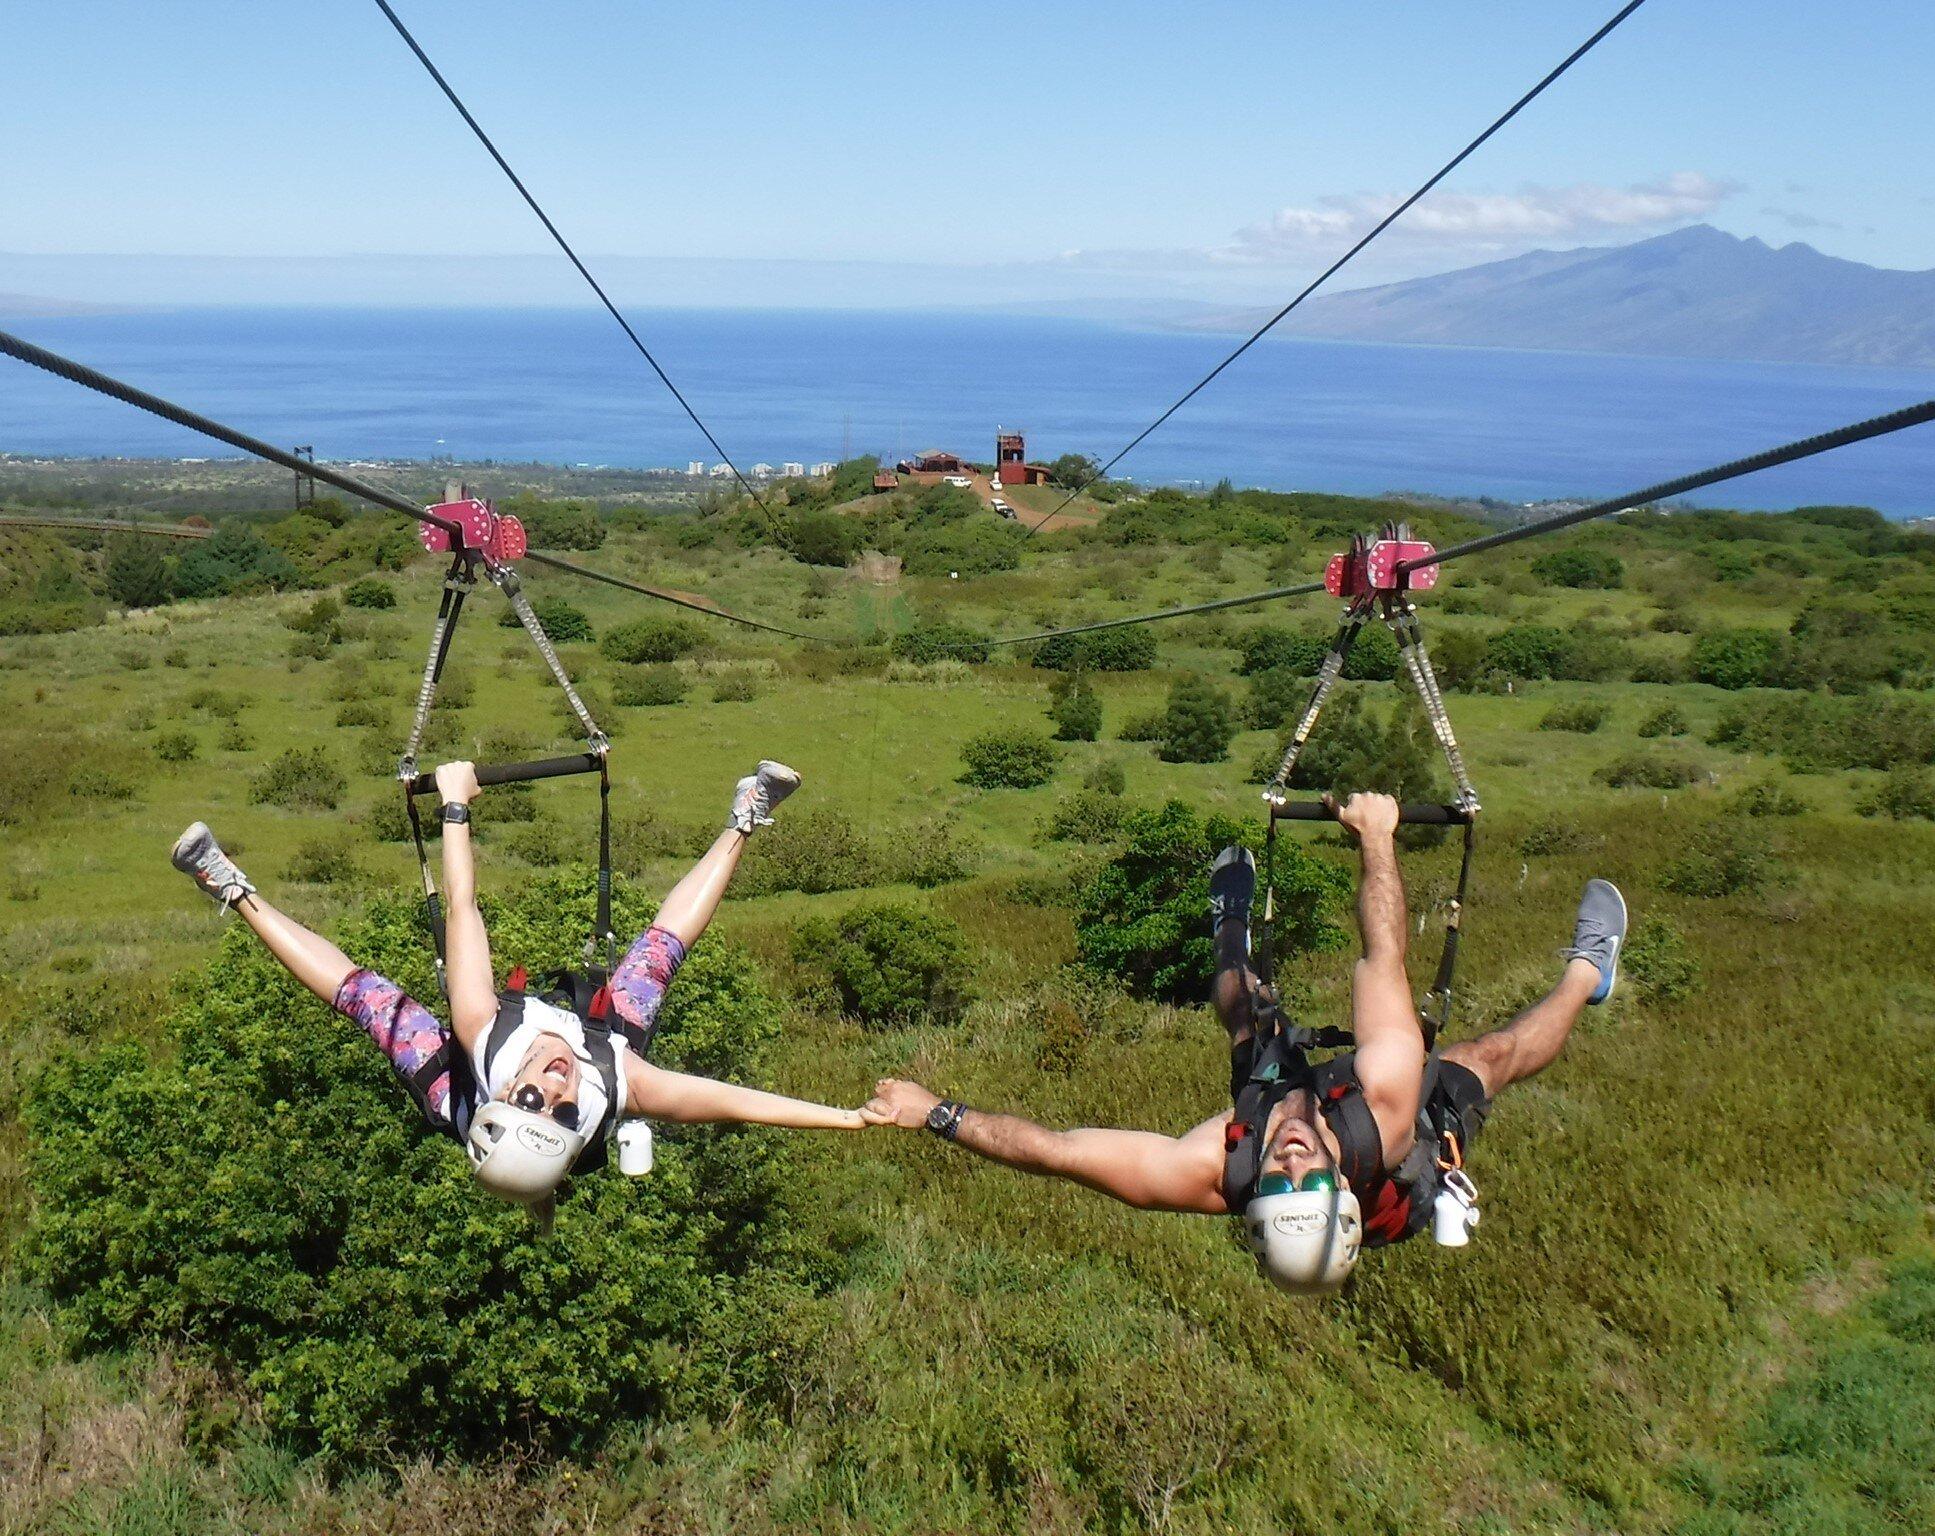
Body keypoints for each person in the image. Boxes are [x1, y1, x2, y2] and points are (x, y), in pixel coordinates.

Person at [866, 790, 1627, 1295]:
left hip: (1297, 1099)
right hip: (1408, 1137)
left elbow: (1056, 1151)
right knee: (1486, 1060)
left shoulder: (1208, 1172)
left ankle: (1226, 913)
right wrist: (1375, 839)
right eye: (1310, 1179)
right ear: (1340, 1185)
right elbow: (1380, 958)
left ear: (1249, 1197)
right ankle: (1589, 972)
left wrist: (934, 1113)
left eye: (1276, 1181)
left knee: (1246, 1014)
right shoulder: (1386, 1116)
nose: (1290, 1160)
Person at [171, 759, 875, 1213]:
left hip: (458, 1084)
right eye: (564, 1112)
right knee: (656, 955)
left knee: (370, 999)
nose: (560, 1086)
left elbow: (462, 907)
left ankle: (227, 886)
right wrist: (850, 1120)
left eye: (535, 1097)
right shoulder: (619, 1081)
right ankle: (744, 814)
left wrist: (454, 805)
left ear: (507, 1091)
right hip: (600, 1043)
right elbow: (741, 1105)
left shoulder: (483, 1040)